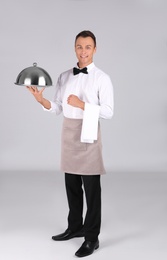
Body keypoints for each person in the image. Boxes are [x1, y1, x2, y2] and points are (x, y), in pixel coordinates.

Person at [27, 30, 114, 258]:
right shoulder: (65, 76)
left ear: (95, 49)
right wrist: (41, 100)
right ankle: (75, 226)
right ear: (74, 48)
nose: (83, 51)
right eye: (79, 46)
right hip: (68, 132)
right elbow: (57, 108)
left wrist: (82, 104)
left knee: (92, 190)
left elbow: (108, 111)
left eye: (87, 47)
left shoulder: (102, 78)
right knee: (72, 186)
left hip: (89, 134)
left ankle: (92, 238)